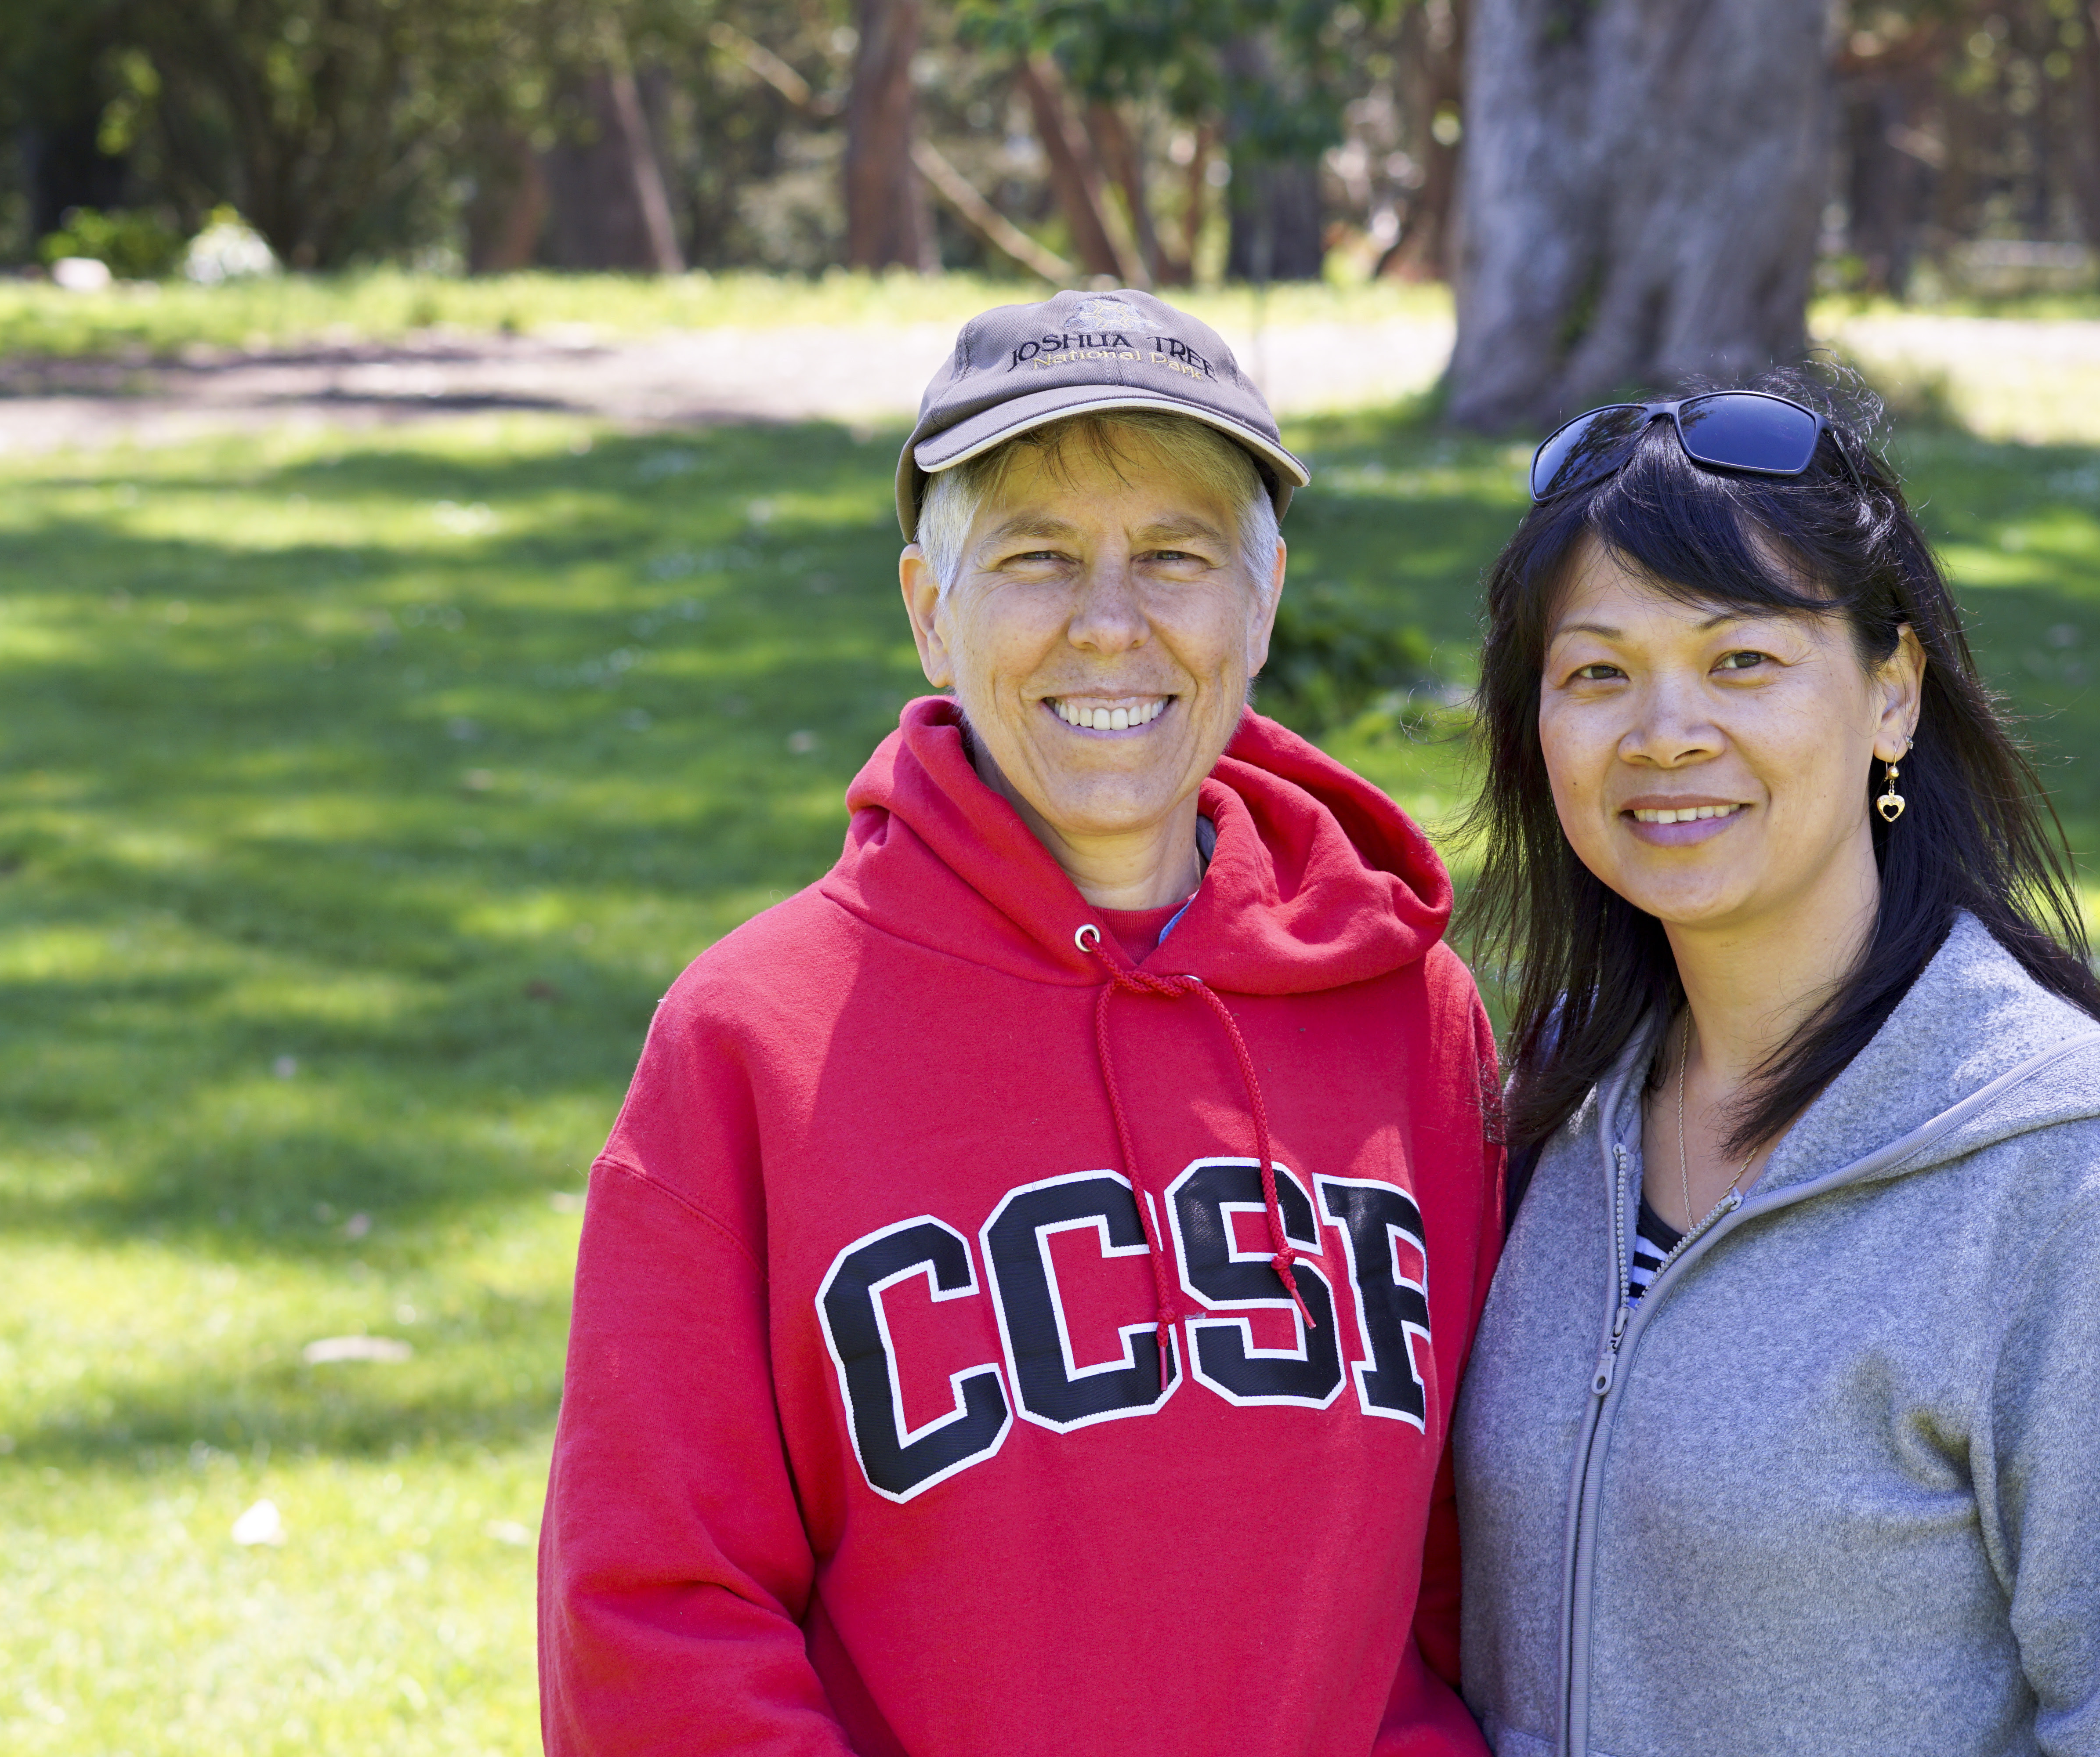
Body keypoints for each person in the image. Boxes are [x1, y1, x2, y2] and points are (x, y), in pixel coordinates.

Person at [539, 290, 1502, 1756]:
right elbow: (653, 1617)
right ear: (932, 611)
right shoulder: (755, 1040)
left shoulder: (1407, 1017)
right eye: (1036, 557)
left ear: (1260, 605)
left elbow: (1471, 1565)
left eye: (1175, 556)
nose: (1108, 624)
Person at [1451, 372, 2100, 1756]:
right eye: (1598, 673)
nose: (1665, 732)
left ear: (1893, 694)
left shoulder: (2086, 1188)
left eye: (1742, 661)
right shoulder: (1543, 1112)